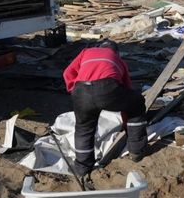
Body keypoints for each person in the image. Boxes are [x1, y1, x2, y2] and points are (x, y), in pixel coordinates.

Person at [63, 39, 147, 179]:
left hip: (81, 91)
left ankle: (83, 168)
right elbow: (126, 91)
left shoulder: (86, 52)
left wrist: (75, 91)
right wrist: (126, 123)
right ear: (116, 52)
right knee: (136, 103)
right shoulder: (118, 60)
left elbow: (67, 73)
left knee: (84, 128)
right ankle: (136, 152)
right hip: (107, 89)